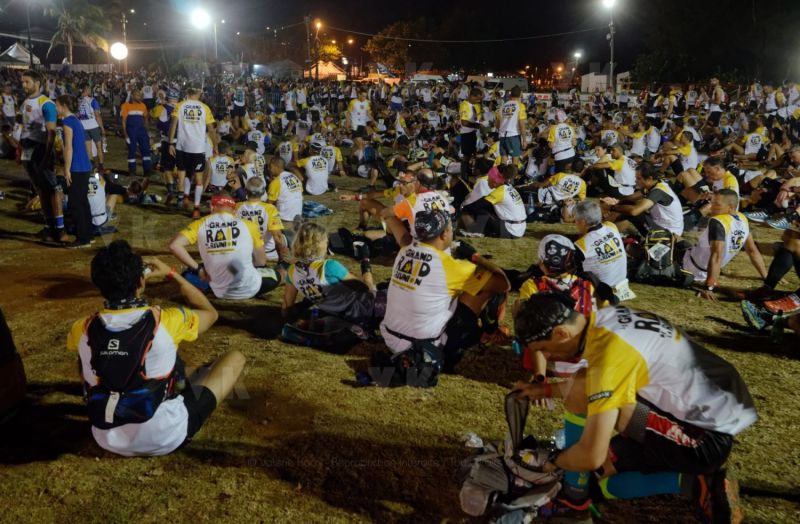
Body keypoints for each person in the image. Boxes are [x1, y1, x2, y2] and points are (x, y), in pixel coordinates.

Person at [511, 294, 755, 522]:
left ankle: (574, 497)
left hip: (703, 441)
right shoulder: (607, 318)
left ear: (562, 332)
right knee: (601, 478)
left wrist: (554, 462)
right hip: (712, 408)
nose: (548, 356)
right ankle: (695, 482)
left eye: (543, 348)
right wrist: (545, 391)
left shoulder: (608, 358)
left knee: (592, 462)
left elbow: (590, 453)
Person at [66, 240, 245, 456]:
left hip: (105, 437)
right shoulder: (166, 320)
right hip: (166, 436)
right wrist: (171, 274)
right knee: (235, 358)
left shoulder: (82, 327)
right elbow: (211, 314)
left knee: (85, 352)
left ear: (100, 285)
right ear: (141, 281)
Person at [378, 209, 511, 385]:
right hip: (424, 348)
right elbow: (503, 283)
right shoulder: (453, 267)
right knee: (481, 289)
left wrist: (387, 214)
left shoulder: (405, 250)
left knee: (449, 291)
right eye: (451, 228)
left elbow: (394, 223)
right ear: (444, 234)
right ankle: (485, 333)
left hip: (390, 338)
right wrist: (475, 257)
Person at [168, 194, 280, 300]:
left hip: (218, 290)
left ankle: (208, 286)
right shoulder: (249, 225)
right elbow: (261, 261)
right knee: (276, 275)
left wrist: (199, 269)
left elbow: (174, 245)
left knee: (186, 274)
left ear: (212, 207)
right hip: (250, 287)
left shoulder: (200, 223)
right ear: (234, 210)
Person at [682, 190, 767, 301]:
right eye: (711, 202)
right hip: (708, 269)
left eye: (717, 205)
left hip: (690, 267)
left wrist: (709, 287)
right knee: (680, 240)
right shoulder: (743, 218)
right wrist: (766, 276)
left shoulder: (718, 221)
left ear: (730, 207)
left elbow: (717, 255)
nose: (711, 207)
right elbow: (752, 250)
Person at [281, 222, 372, 316]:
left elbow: (286, 309)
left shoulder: (292, 271)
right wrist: (365, 261)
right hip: (359, 311)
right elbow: (366, 288)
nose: (327, 243)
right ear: (318, 244)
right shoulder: (329, 266)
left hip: (332, 314)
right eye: (326, 241)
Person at [20, 70, 63, 242]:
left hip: (40, 149)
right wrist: (19, 150)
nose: (23, 85)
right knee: (39, 188)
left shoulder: (47, 104)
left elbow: (51, 133)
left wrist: (47, 155)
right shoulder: (24, 102)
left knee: (52, 189)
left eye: (27, 82)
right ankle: (48, 226)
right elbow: (21, 125)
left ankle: (59, 229)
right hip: (27, 148)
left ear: (37, 83)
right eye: (22, 82)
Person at [169, 85, 217, 218]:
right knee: (199, 178)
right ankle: (196, 208)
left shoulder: (180, 105)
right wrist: (216, 146)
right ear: (199, 93)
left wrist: (170, 142)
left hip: (182, 146)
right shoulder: (204, 108)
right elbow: (211, 129)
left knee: (183, 172)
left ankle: (182, 197)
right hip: (198, 148)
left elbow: (173, 124)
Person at [604, 161, 685, 238]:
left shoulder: (658, 191)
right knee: (627, 204)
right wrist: (617, 201)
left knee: (632, 212)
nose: (635, 181)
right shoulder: (656, 183)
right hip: (663, 225)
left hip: (668, 233)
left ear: (649, 178)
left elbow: (634, 211)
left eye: (638, 178)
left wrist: (613, 207)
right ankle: (608, 228)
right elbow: (631, 197)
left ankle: (608, 234)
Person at [573, 200, 634, 302]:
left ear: (583, 222)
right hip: (621, 283)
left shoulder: (581, 245)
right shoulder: (611, 226)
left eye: (576, 219)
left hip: (602, 293)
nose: (575, 222)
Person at [56, 94, 94, 248]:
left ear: (64, 105)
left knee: (75, 203)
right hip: (84, 166)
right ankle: (88, 235)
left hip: (76, 167)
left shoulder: (67, 122)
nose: (56, 108)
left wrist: (67, 169)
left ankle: (82, 239)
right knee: (83, 202)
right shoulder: (77, 120)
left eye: (57, 105)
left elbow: (69, 147)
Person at [460, 164, 527, 238]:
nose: (487, 179)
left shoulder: (499, 192)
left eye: (489, 178)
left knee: (476, 210)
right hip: (520, 228)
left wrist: (461, 209)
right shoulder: (508, 188)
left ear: (495, 181)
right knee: (487, 209)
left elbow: (475, 206)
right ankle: (485, 230)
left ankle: (475, 231)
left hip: (511, 231)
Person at [236, 177, 289, 264]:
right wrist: (281, 259)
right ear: (263, 192)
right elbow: (277, 236)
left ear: (245, 191)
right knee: (284, 235)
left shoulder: (236, 207)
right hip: (268, 253)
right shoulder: (270, 209)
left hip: (246, 254)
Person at [120, 89, 152, 179]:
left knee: (146, 150)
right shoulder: (126, 106)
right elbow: (123, 121)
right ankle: (132, 171)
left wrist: (147, 131)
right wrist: (125, 134)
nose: (140, 97)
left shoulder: (143, 105)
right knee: (132, 151)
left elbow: (145, 118)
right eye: (137, 95)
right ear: (132, 96)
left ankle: (147, 171)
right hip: (131, 132)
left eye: (140, 95)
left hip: (142, 132)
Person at [267, 156, 304, 225]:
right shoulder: (293, 176)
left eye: (270, 167)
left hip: (284, 217)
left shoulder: (276, 182)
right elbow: (300, 192)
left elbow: (269, 204)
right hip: (298, 214)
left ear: (276, 167)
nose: (269, 169)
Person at [76, 83, 105, 170]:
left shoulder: (78, 101)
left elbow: (77, 114)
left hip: (83, 127)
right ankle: (101, 165)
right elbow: (97, 115)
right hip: (94, 126)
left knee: (88, 149)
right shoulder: (93, 100)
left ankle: (91, 166)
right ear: (88, 91)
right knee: (99, 147)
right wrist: (102, 128)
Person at [498, 86, 527, 164]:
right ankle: (513, 176)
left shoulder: (502, 106)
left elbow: (497, 124)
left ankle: (501, 175)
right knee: (515, 160)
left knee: (503, 160)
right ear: (520, 94)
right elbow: (522, 125)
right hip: (513, 136)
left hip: (502, 136)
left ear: (510, 94)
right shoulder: (520, 106)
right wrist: (524, 140)